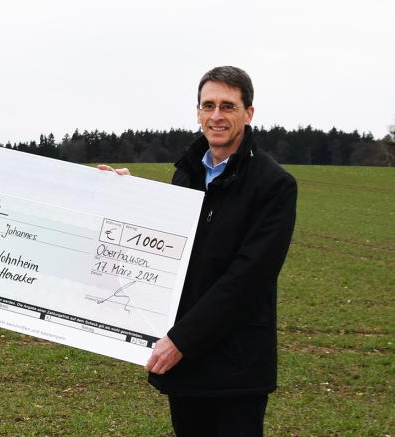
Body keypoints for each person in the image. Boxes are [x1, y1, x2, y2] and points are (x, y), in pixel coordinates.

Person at [103, 66, 296, 435]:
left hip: (234, 366)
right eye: (208, 106)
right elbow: (172, 242)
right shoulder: (187, 174)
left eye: (228, 106)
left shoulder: (274, 185)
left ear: (249, 113)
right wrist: (126, 197)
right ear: (198, 113)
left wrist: (181, 341)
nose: (217, 116)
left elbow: (248, 279)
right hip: (187, 364)